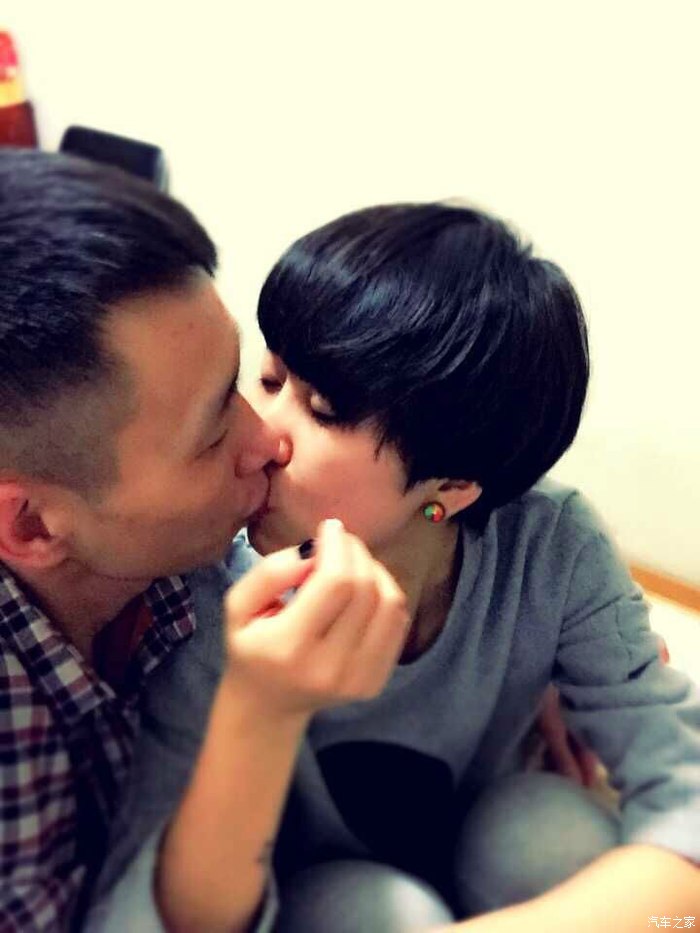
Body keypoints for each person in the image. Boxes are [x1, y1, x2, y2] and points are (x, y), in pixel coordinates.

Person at [92, 202, 700, 932]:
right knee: (369, 908)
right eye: (270, 379)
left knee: (548, 828)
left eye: (321, 410)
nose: (260, 435)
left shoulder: (549, 544)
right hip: (309, 886)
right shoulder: (209, 584)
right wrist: (259, 703)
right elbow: (145, 908)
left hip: (486, 832)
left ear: (452, 487)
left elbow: (682, 784)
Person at [0, 150, 407, 931]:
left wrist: (536, 639)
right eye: (213, 431)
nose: (269, 441)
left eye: (243, 381)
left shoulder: (177, 548)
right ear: (32, 524)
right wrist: (260, 715)